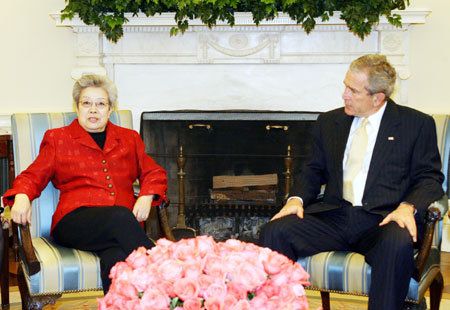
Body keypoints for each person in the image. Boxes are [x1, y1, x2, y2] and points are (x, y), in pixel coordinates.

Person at [258, 54, 444, 310]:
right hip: (335, 217)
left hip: (383, 219)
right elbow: (313, 170)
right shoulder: (329, 122)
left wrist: (407, 206)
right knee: (274, 230)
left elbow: (430, 178)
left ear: (377, 97)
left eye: (353, 90)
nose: (344, 95)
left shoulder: (416, 124)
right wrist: (295, 200)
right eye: (345, 86)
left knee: (396, 243)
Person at [2, 74, 168, 293]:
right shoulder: (58, 138)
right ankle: (166, 276)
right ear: (77, 108)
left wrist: (146, 196)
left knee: (117, 259)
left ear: (110, 110)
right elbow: (32, 176)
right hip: (74, 222)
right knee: (119, 216)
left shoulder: (129, 138)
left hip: (119, 229)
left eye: (100, 104)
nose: (93, 109)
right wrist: (22, 196)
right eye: (86, 103)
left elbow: (154, 172)